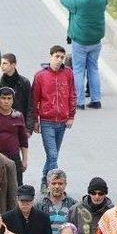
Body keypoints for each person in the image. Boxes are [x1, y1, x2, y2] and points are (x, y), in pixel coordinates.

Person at [31, 45, 76, 188]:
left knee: (52, 156)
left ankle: (45, 180)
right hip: (46, 122)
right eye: (57, 56)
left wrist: (71, 116)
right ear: (50, 56)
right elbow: (34, 100)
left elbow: (72, 94)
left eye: (62, 57)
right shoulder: (40, 76)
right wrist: (35, 120)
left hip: (62, 122)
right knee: (53, 155)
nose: (59, 60)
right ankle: (54, 184)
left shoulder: (68, 73)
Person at [60, 0, 108, 109]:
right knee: (93, 69)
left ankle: (79, 102)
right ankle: (96, 100)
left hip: (80, 41)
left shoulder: (78, 1)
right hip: (96, 41)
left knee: (78, 70)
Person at [0, 87, 28, 185]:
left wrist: (24, 160)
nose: (6, 101)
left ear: (13, 100)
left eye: (9, 98)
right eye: (3, 98)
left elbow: (23, 140)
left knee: (16, 188)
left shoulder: (18, 116)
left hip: (14, 158)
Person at [0, 54, 34, 136]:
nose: (2, 66)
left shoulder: (24, 82)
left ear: (13, 65)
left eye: (5, 63)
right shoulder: (2, 81)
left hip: (19, 123)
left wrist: (29, 129)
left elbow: (30, 105)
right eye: (1, 64)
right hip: (5, 124)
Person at [35, 169, 77, 234]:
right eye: (53, 183)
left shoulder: (73, 205)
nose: (57, 186)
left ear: (65, 184)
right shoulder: (39, 205)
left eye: (60, 183)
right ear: (48, 184)